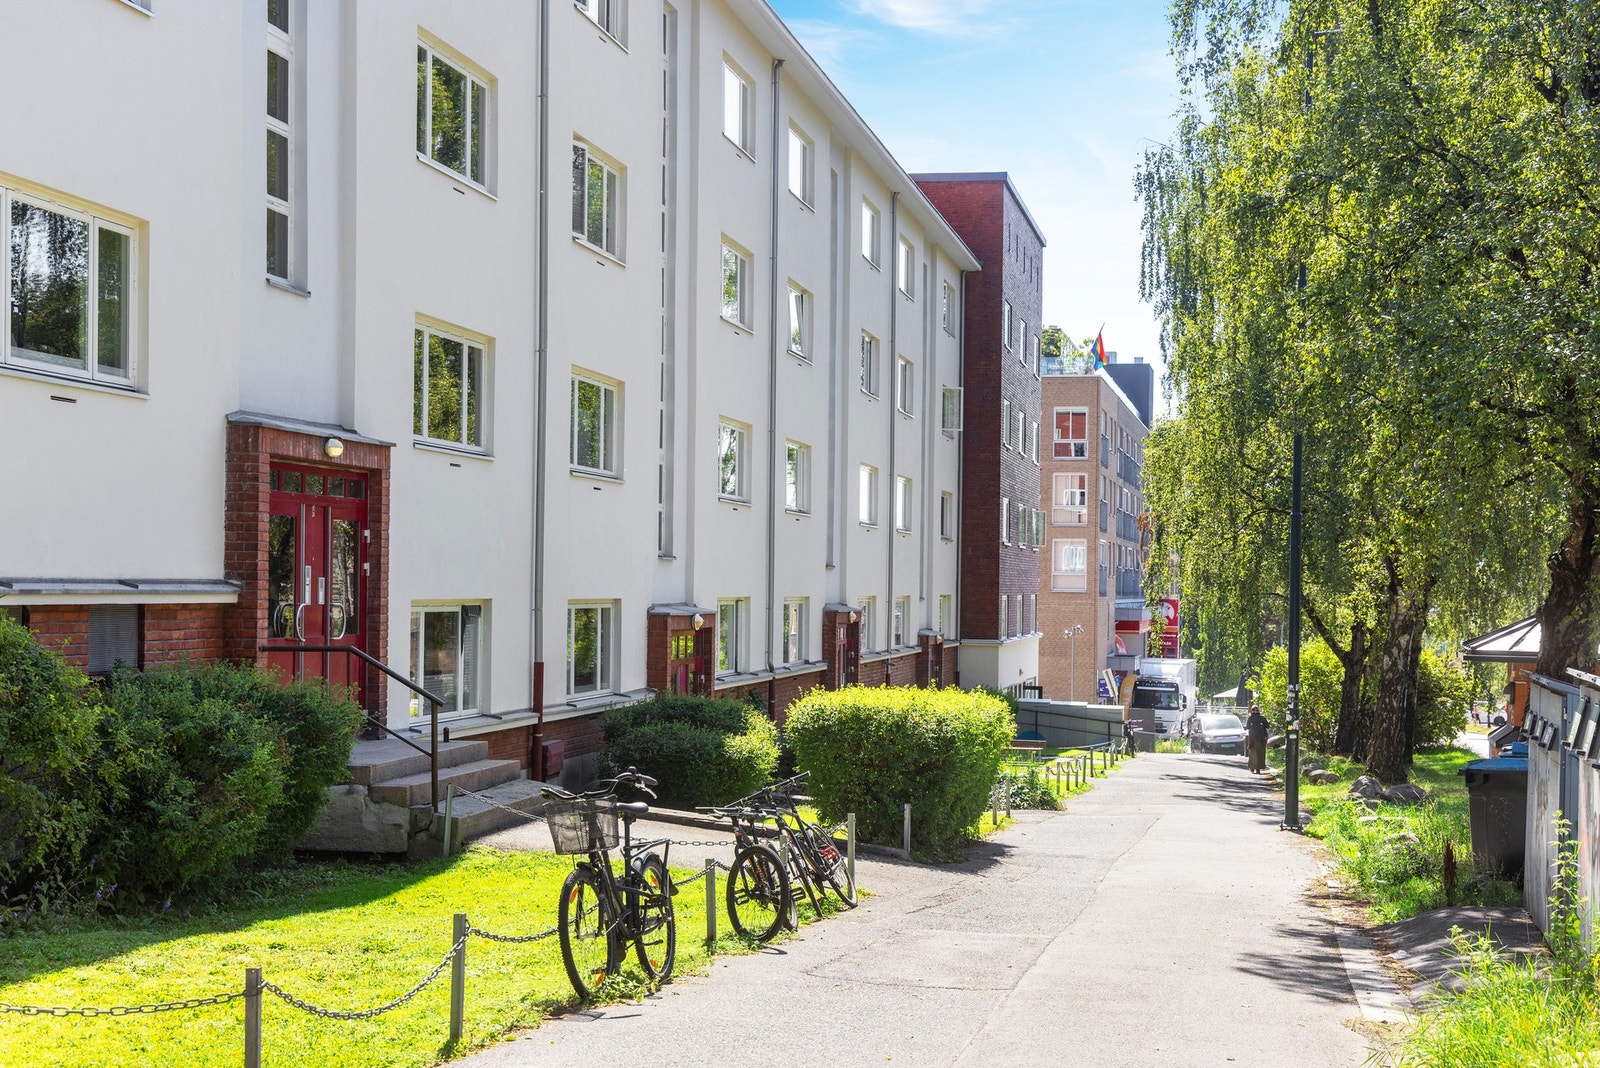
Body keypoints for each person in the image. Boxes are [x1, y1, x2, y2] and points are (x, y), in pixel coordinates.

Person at [1246, 704, 1270, 773]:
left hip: (1252, 739)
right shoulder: (1262, 718)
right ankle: (1258, 768)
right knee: (1260, 753)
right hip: (1261, 738)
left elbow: (1247, 727)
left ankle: (1252, 767)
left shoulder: (1250, 719)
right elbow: (1267, 726)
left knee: (1252, 753)